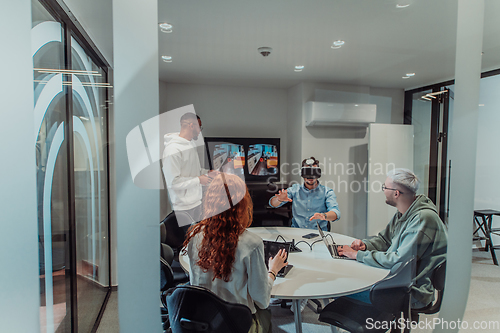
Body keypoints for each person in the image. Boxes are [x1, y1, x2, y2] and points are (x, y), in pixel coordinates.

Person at [183, 173, 287, 333]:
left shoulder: (195, 236)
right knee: (265, 313)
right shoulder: (252, 243)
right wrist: (273, 270)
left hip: (203, 323)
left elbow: (194, 284)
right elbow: (262, 300)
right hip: (236, 326)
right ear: (242, 203)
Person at [338, 168, 447, 309]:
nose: (383, 190)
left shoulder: (421, 219)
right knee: (350, 281)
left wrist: (357, 255)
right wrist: (365, 246)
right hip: (399, 280)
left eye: (385, 187)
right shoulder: (404, 212)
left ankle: (378, 323)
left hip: (410, 290)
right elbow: (385, 240)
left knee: (344, 288)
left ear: (396, 193)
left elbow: (398, 261)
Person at [162, 112, 216, 230]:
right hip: (183, 208)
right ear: (191, 125)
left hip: (196, 202)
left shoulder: (190, 144)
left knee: (196, 240)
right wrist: (199, 180)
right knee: (186, 243)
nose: (200, 131)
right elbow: (173, 182)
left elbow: (194, 171)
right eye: (199, 127)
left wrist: (208, 172)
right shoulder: (172, 150)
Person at [269, 156, 341, 231]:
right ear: (301, 173)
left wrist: (324, 216)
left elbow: (336, 213)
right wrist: (279, 199)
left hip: (318, 235)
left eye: (314, 172)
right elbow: (272, 203)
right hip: (297, 234)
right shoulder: (295, 190)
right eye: (307, 172)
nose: (311, 176)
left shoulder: (327, 192)